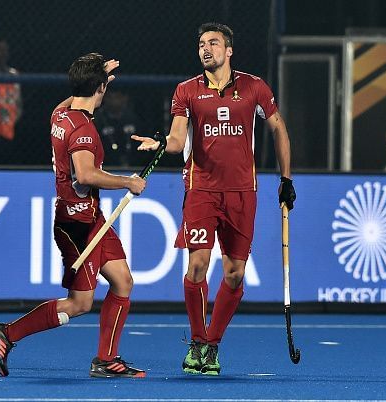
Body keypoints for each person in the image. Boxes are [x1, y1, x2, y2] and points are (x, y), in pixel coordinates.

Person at [132, 22, 296, 375]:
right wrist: (162, 144)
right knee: (197, 266)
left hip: (242, 194)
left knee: (235, 274)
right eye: (201, 44)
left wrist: (286, 179)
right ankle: (197, 341)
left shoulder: (254, 87)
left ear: (229, 50)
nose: (206, 49)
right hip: (201, 190)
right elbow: (177, 141)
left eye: (213, 43)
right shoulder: (186, 91)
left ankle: (213, 344)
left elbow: (279, 127)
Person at [0, 53, 147, 378]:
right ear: (101, 88)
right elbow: (86, 175)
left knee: (123, 281)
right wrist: (127, 182)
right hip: (78, 225)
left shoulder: (62, 115)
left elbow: (75, 97)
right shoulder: (84, 129)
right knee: (79, 304)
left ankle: (106, 359)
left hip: (91, 218)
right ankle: (7, 333)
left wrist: (96, 78)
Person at [95, 90, 147, 167]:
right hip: (107, 165)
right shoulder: (98, 120)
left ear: (125, 98)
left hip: (134, 164)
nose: (113, 101)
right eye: (110, 97)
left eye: (117, 97)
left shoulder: (134, 119)